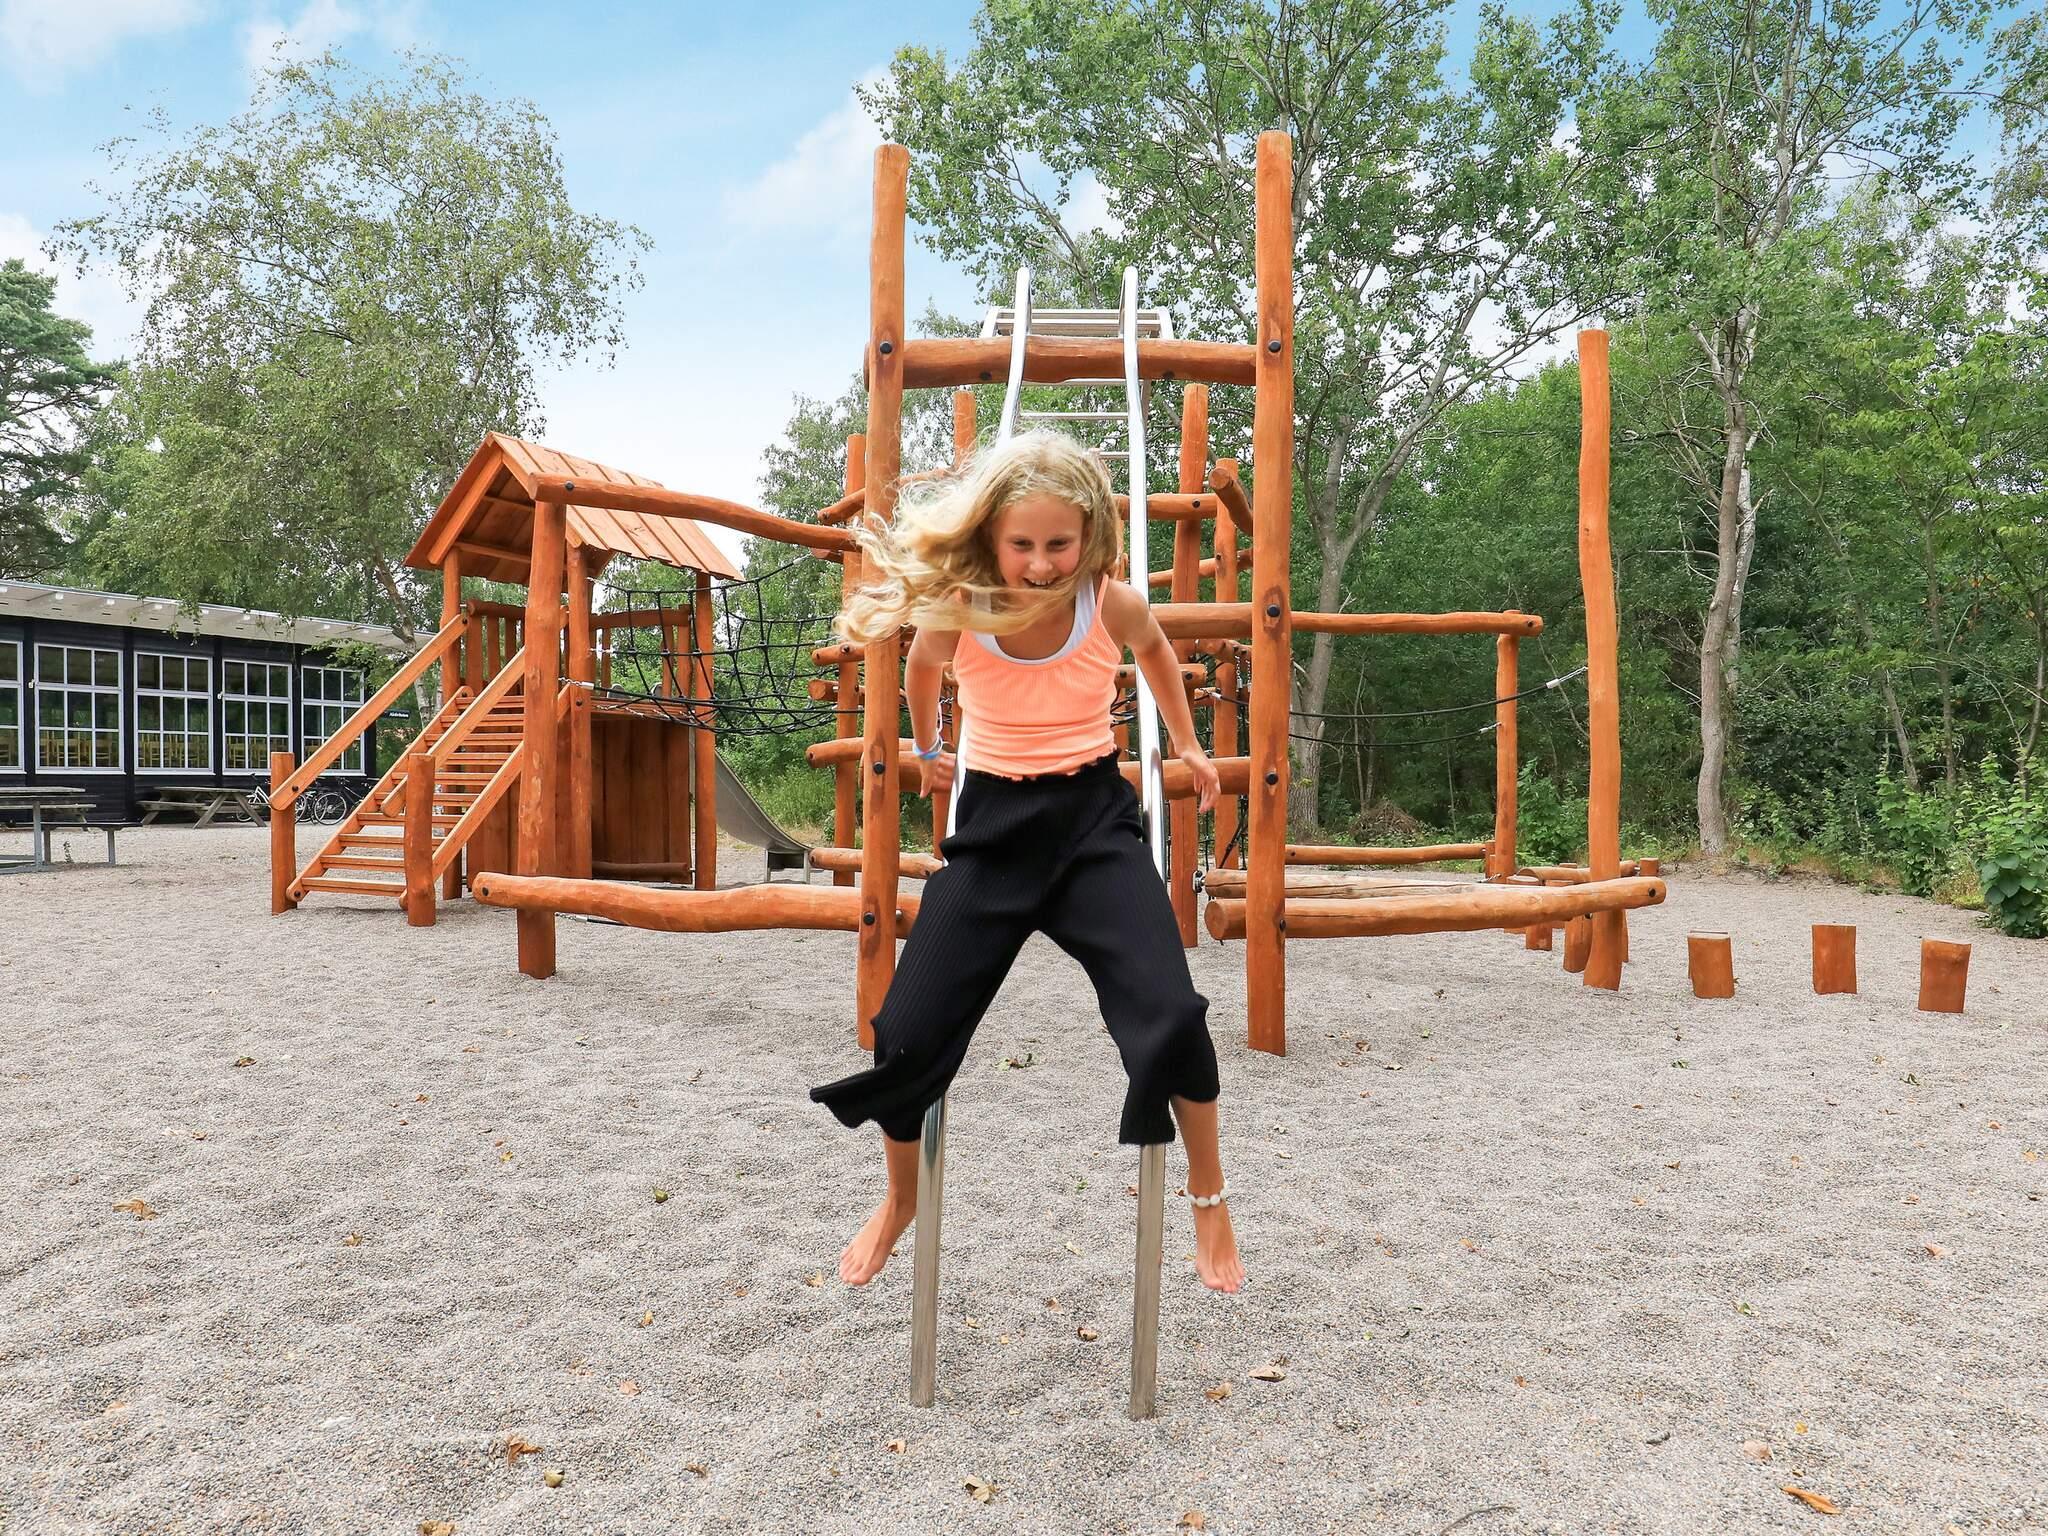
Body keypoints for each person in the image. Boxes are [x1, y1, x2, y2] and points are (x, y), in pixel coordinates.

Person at [811, 429, 1244, 1294]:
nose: (1042, 565)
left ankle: (1210, 1194)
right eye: (1023, 545)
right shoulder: (959, 606)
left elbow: (1158, 653)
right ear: (991, 538)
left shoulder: (1110, 604)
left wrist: (1189, 744)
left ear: (1089, 536)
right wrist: (929, 746)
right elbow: (922, 670)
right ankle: (900, 1197)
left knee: (1171, 1013)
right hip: (994, 831)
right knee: (904, 1031)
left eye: (1058, 544)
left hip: (1092, 829)